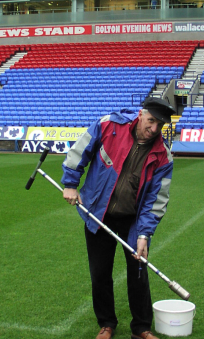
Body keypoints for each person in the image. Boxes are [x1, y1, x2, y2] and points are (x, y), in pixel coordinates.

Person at [61, 97, 176, 339]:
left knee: (138, 272)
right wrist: (71, 184)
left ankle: (142, 328)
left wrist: (144, 233)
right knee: (100, 273)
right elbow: (79, 151)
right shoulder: (109, 125)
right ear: (141, 114)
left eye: (160, 125)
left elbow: (156, 201)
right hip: (98, 214)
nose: (154, 129)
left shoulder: (163, 156)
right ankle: (107, 324)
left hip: (134, 221)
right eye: (151, 121)